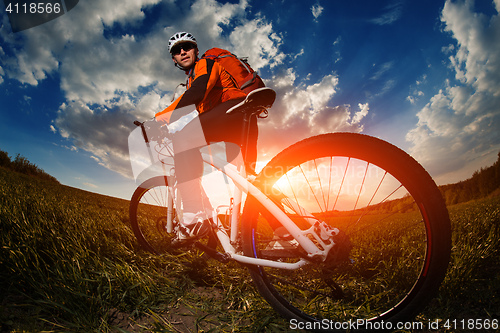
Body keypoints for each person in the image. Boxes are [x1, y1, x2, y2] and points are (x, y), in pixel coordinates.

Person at [154, 32, 251, 243]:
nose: (182, 52)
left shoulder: (206, 64)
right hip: (242, 117)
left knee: (182, 140)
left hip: (233, 111)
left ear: (195, 51)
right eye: (177, 51)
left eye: (187, 47)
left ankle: (192, 218)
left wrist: (160, 121)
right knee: (251, 182)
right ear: (174, 59)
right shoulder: (192, 78)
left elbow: (198, 92)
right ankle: (289, 233)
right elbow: (193, 99)